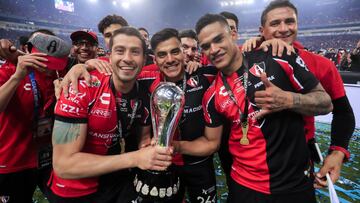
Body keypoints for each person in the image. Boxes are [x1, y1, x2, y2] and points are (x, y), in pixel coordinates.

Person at [175, 13, 333, 203]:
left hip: (295, 184)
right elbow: (211, 143)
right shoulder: (211, 95)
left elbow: (325, 102)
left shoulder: (276, 57)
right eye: (206, 46)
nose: (214, 49)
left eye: (218, 39)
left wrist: (289, 100)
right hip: (244, 187)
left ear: (233, 35)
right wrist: (173, 146)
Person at [47, 27, 173, 203]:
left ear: (145, 59)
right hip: (75, 191)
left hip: (117, 182)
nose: (127, 58)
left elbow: (143, 141)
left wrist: (151, 148)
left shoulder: (145, 94)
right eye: (120, 51)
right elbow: (63, 165)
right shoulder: (80, 88)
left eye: (135, 52)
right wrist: (136, 158)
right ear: (109, 56)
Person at [242, 0, 355, 189]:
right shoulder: (245, 57)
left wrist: (337, 152)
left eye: (290, 21)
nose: (284, 28)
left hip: (299, 163)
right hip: (251, 164)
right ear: (262, 30)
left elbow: (343, 112)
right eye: (275, 23)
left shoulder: (322, 65)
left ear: (297, 24)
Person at [0, 32, 70, 203]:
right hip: (13, 161)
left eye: (53, 61)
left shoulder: (58, 74)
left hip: (47, 158)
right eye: (43, 59)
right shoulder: (10, 70)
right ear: (27, 50)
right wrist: (17, 77)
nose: (48, 66)